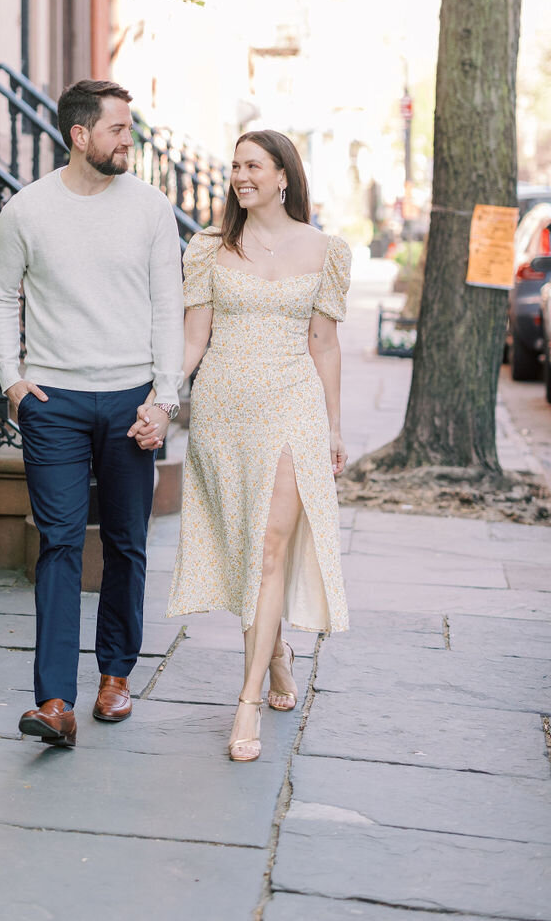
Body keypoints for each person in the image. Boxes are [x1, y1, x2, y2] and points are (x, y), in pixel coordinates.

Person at [0, 79, 184, 748]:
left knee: (127, 542)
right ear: (80, 135)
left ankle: (116, 675)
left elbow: (168, 307)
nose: (128, 138)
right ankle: (53, 699)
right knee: (61, 542)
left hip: (133, 401)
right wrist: (12, 381)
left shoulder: (153, 210)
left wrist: (165, 397)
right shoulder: (27, 210)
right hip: (55, 404)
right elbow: (0, 299)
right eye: (118, 128)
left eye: (129, 127)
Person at [167, 130, 350, 763]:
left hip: (292, 407)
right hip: (223, 411)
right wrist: (164, 397)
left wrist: (331, 425)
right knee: (246, 546)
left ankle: (244, 703)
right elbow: (194, 338)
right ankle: (275, 655)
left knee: (269, 550)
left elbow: (323, 343)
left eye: (254, 166)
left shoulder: (326, 250)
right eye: (236, 166)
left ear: (282, 176)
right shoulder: (210, 248)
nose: (241, 176)